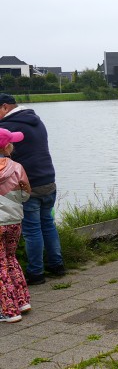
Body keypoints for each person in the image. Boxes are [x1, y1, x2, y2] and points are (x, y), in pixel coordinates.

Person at [0, 93, 64, 286]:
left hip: (29, 184)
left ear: (4, 107)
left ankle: (36, 273)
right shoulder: (37, 120)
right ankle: (57, 265)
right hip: (48, 179)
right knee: (48, 224)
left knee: (32, 230)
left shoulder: (7, 127)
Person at [0, 128, 31, 322]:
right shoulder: (17, 167)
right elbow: (25, 195)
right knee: (10, 258)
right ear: (7, 146)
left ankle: (8, 311)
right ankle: (22, 301)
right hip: (13, 221)